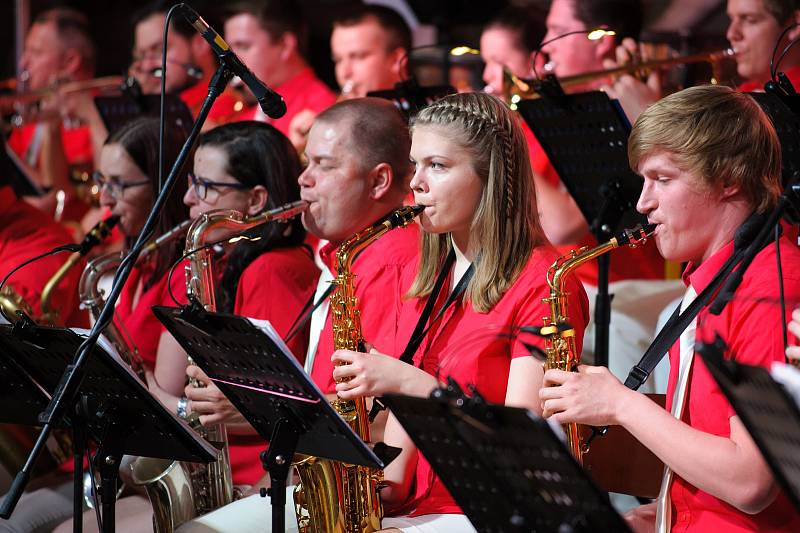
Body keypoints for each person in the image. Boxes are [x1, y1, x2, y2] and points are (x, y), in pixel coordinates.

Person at [322, 91, 589, 533]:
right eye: (417, 164)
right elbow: (398, 472)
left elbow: (523, 452)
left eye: (438, 166)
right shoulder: (428, 277)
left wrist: (414, 384)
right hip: (419, 511)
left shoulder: (546, 284)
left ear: (492, 178)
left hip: (486, 515)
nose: (416, 184)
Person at [540, 84, 800, 532]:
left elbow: (749, 483)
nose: (643, 203)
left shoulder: (772, 287)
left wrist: (621, 405)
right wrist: (664, 509)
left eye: (662, 179)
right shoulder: (709, 276)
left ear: (728, 179)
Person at [174, 97, 419, 532]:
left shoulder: (392, 262)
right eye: (306, 163)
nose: (303, 180)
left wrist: (258, 409)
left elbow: (377, 412)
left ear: (379, 180)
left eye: (323, 166)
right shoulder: (347, 255)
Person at [8, 7, 97, 224]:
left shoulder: (95, 121)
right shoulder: (34, 115)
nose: (23, 64)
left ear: (70, 62)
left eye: (36, 53)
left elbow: (56, 193)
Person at [288, 4, 411, 150]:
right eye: (338, 60)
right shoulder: (337, 118)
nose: (344, 72)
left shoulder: (422, 123)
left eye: (358, 57)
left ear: (397, 59)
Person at [223, 0, 336, 140]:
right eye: (231, 50)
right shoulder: (243, 112)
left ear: (285, 45)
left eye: (244, 46)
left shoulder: (320, 108)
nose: (233, 60)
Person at [129, 1, 242, 127]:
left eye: (160, 50)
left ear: (200, 44)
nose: (146, 66)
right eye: (141, 56)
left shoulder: (230, 104)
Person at [728, 0, 800, 91]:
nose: (731, 34)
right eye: (731, 19)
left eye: (750, 20)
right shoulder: (744, 91)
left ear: (794, 25)